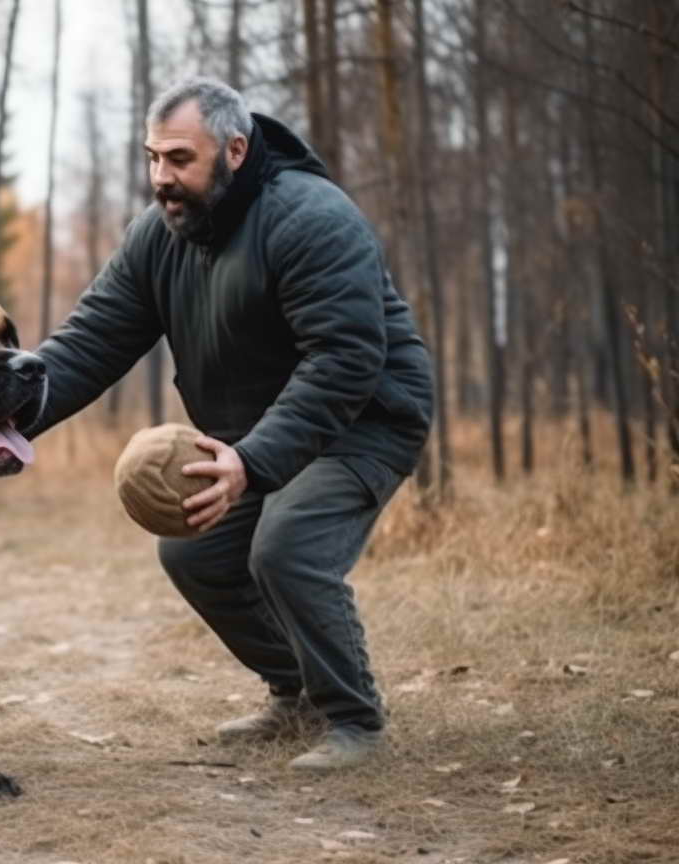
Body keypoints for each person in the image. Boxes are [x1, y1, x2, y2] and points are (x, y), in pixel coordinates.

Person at [24, 77, 433, 770]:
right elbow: (90, 343)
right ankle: (296, 691)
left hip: (362, 418)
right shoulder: (158, 238)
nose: (162, 178)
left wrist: (251, 462)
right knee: (195, 554)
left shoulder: (311, 219)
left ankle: (354, 720)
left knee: (288, 547)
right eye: (153, 158)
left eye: (180, 159)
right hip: (253, 434)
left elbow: (344, 361)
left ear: (236, 149)